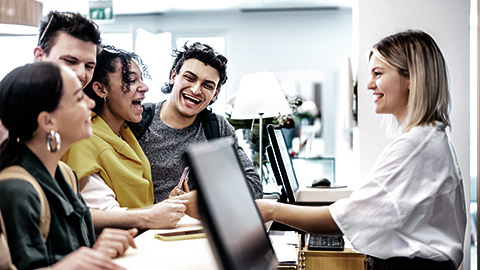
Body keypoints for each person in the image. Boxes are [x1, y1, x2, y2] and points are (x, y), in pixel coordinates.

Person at [256, 30, 466, 270]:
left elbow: (343, 219)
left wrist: (270, 209)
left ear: (411, 78)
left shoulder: (415, 147)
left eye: (378, 73)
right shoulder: (427, 138)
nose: (368, 85)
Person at [33, 11, 187, 231]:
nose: (80, 74)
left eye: (89, 66)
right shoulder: (81, 134)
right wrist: (149, 216)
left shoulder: (124, 131)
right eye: (70, 61)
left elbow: (73, 213)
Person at [0, 62, 136, 270]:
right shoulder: (16, 189)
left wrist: (96, 251)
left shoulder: (65, 174)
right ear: (48, 122)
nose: (91, 103)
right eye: (78, 98)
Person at [62, 45, 187, 228]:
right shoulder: (85, 141)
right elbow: (102, 211)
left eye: (141, 80)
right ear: (101, 89)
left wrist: (163, 208)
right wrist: (153, 214)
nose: (144, 87)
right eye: (131, 80)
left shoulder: (123, 132)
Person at [135, 42, 263, 202]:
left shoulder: (217, 127)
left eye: (207, 85)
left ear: (215, 94)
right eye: (189, 78)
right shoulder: (138, 119)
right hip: (145, 224)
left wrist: (200, 199)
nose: (196, 90)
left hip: (195, 226)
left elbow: (254, 186)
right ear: (173, 76)